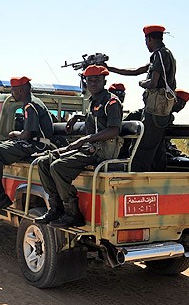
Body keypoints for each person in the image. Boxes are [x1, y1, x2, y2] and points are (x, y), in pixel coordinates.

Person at [36, 65, 123, 228]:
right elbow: (96, 120)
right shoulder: (94, 101)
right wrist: (79, 117)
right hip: (90, 148)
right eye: (89, 80)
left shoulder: (111, 102)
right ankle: (56, 207)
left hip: (102, 152)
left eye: (97, 80)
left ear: (104, 81)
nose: (93, 83)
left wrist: (83, 140)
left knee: (58, 167)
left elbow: (114, 130)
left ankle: (72, 213)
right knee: (44, 161)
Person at [0, 76, 54, 218]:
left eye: (14, 91)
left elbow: (27, 135)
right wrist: (18, 135)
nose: (12, 94)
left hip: (38, 145)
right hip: (32, 142)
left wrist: (17, 134)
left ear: (21, 90)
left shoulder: (30, 105)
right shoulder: (30, 103)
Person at [107, 25, 177, 172]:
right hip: (160, 109)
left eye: (147, 41)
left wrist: (142, 83)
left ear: (149, 39)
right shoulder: (165, 54)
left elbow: (153, 82)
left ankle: (136, 179)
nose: (146, 45)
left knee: (143, 147)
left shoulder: (159, 54)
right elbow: (136, 71)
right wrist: (109, 68)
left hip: (156, 108)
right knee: (156, 147)